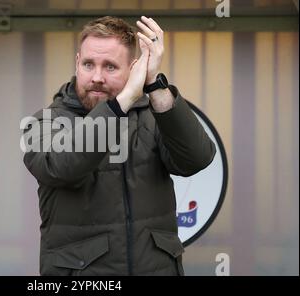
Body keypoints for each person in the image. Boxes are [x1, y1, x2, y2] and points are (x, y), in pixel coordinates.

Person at [22, 16, 216, 276]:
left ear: (133, 69)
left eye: (110, 67)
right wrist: (121, 103)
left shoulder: (152, 117)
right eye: (89, 64)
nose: (97, 77)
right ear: (77, 62)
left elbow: (197, 158)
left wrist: (154, 84)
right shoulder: (45, 121)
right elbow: (60, 166)